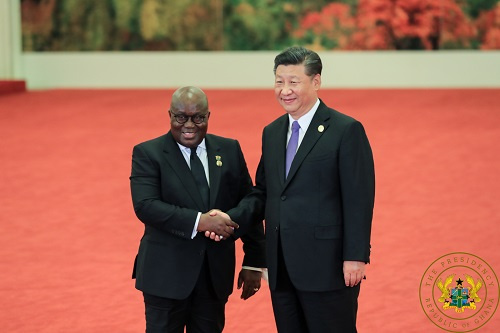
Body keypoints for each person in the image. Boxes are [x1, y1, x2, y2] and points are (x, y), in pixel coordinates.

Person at [215, 46, 375, 332]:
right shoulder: (272, 132)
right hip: (282, 267)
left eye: (293, 82)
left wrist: (356, 256)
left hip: (328, 266)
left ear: (316, 81)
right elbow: (264, 192)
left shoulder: (345, 130)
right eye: (279, 81)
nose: (284, 90)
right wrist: (230, 220)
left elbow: (359, 199)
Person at [130, 86, 266, 333]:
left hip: (213, 278)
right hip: (164, 278)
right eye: (180, 117)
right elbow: (146, 206)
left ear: (208, 116)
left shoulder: (229, 150)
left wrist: (254, 262)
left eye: (198, 117)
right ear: (170, 115)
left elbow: (249, 204)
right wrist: (200, 222)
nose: (189, 124)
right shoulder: (148, 153)